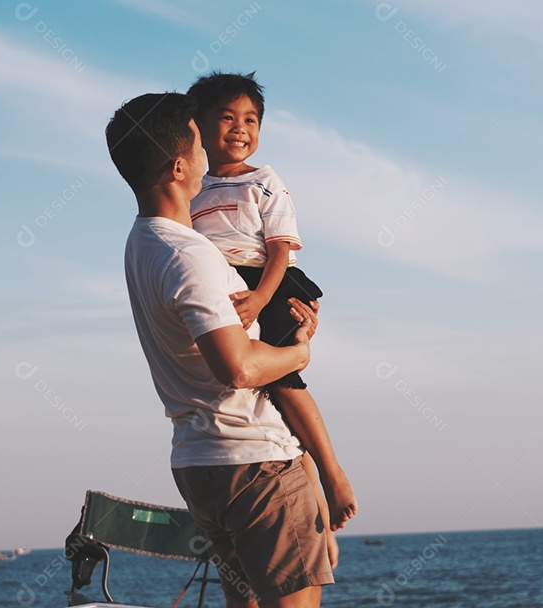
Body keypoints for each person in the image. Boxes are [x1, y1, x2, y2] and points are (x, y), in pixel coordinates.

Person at [108, 92, 332, 607]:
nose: (212, 154)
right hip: (255, 464)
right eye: (198, 142)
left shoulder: (141, 242)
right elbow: (239, 367)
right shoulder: (189, 255)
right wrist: (299, 352)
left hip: (199, 465)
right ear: (180, 164)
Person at [186, 72, 357, 533]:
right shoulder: (193, 191)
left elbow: (280, 249)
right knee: (258, 397)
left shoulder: (264, 181)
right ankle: (309, 484)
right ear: (196, 126)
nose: (240, 128)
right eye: (226, 118)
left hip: (268, 282)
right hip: (227, 290)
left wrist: (260, 299)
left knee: (281, 381)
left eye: (250, 119)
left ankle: (332, 471)